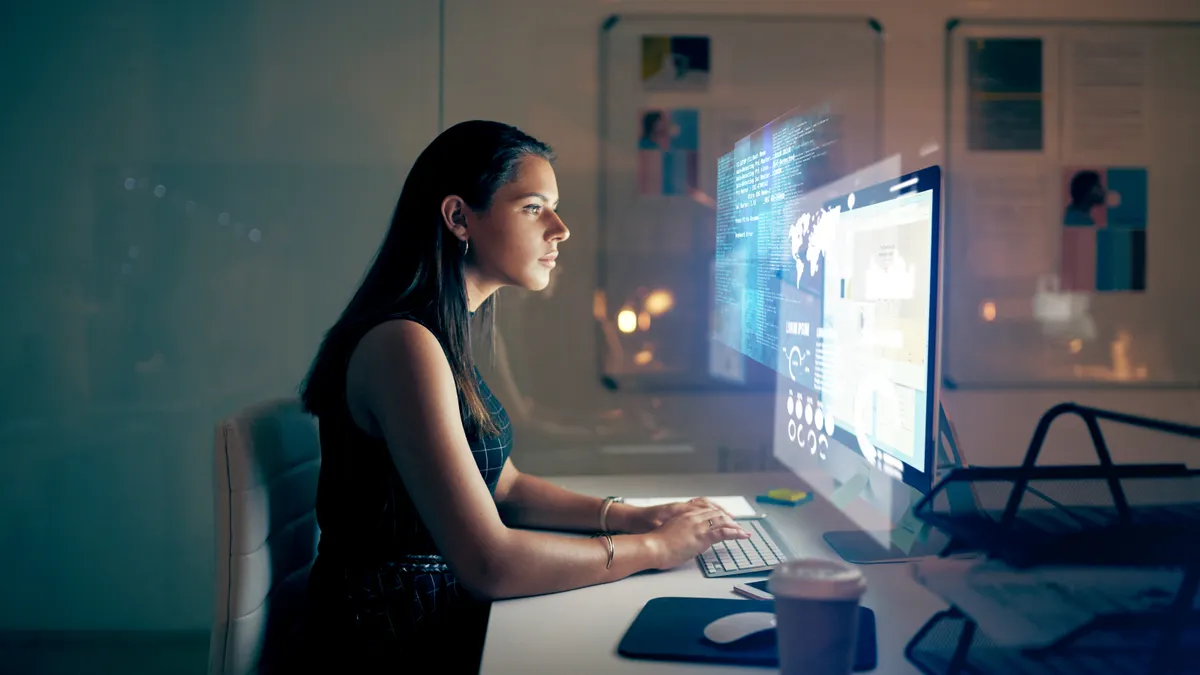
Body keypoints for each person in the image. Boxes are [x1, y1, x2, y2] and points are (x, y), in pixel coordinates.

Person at [296, 120, 750, 672]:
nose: (560, 229)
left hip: (436, 615)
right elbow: (489, 564)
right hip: (395, 639)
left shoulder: (438, 336)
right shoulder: (403, 346)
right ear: (459, 217)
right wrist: (655, 550)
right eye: (534, 208)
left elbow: (504, 488)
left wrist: (638, 518)